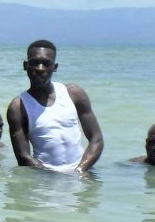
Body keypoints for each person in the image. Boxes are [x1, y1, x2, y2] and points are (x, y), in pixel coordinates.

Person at [6, 40, 103, 173]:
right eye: (34, 63)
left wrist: (81, 170)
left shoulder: (74, 94)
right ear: (25, 65)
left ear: (55, 67)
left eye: (47, 64)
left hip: (82, 173)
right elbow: (23, 157)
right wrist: (52, 177)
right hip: (45, 178)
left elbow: (96, 139)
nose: (40, 69)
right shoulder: (18, 107)